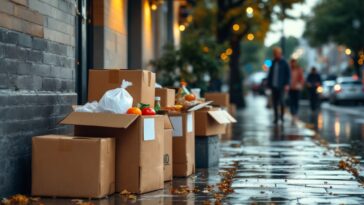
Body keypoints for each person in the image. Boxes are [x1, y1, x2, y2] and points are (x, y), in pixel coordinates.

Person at [267, 47, 291, 124]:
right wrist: (269, 84)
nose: (275, 55)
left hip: (282, 85)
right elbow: (270, 74)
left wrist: (287, 84)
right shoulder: (273, 62)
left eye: (277, 54)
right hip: (274, 85)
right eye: (274, 54)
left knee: (282, 101)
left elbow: (288, 74)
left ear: (280, 54)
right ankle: (276, 117)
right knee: (275, 102)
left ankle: (282, 117)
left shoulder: (284, 63)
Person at [288, 59, 304, 125]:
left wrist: (301, 85)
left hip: (297, 88)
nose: (293, 64)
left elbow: (301, 78)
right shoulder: (289, 70)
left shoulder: (299, 69)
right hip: (290, 88)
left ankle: (295, 113)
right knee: (291, 101)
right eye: (292, 63)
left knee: (296, 101)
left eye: (294, 63)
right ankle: (293, 113)